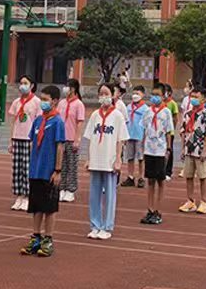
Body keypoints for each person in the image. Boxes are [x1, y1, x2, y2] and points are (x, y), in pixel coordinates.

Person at [21, 84, 65, 257]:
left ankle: (48, 238)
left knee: (49, 207)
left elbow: (59, 146)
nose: (43, 102)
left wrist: (57, 170)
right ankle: (36, 237)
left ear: (55, 101)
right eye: (42, 99)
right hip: (36, 170)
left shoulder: (57, 122)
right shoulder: (38, 120)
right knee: (36, 206)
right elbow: (33, 142)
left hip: (49, 171)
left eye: (46, 99)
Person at [84, 82, 128, 239]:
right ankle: (95, 225)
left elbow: (120, 140)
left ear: (113, 95)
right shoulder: (95, 115)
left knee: (109, 195)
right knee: (94, 195)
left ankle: (107, 226)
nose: (103, 97)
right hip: (96, 160)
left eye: (106, 93)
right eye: (101, 94)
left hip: (109, 161)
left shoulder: (117, 116)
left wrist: (118, 160)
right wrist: (88, 159)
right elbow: (90, 137)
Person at [140, 89, 174, 225]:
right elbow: (144, 129)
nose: (155, 97)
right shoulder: (147, 111)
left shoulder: (166, 112)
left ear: (163, 96)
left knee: (160, 180)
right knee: (150, 180)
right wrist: (143, 146)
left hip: (160, 149)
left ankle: (158, 211)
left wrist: (168, 148)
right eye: (153, 94)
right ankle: (150, 209)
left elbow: (168, 131)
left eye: (158, 95)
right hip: (149, 149)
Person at [8, 76, 41, 210]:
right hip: (17, 138)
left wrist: (35, 139)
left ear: (32, 85)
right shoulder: (16, 102)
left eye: (25, 83)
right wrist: (11, 140)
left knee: (27, 168)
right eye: (21, 83)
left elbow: (38, 122)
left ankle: (27, 196)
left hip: (29, 139)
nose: (22, 85)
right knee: (17, 169)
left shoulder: (37, 102)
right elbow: (13, 121)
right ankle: (19, 195)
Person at [179, 87, 206, 215]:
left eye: (196, 97)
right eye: (192, 97)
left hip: (200, 149)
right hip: (189, 149)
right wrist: (183, 148)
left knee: (203, 176)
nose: (193, 99)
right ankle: (190, 201)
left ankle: (204, 202)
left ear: (203, 99)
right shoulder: (188, 113)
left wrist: (205, 150)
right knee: (188, 176)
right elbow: (183, 131)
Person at [57, 77, 85, 202]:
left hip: (71, 138)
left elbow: (79, 122)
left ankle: (71, 190)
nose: (66, 89)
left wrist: (77, 139)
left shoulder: (79, 104)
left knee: (72, 165)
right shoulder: (62, 103)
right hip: (61, 139)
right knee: (61, 165)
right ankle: (61, 188)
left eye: (68, 86)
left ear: (73, 89)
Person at [122, 86, 147, 188]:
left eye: (138, 93)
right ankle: (130, 176)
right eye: (134, 93)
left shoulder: (145, 109)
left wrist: (145, 137)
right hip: (129, 135)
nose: (135, 96)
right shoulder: (128, 107)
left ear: (143, 95)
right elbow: (125, 121)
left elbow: (146, 124)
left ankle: (141, 177)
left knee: (141, 158)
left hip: (140, 136)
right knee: (130, 157)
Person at [162, 83, 179, 180]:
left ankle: (168, 171)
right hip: (160, 132)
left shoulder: (172, 103)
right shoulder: (160, 103)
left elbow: (175, 118)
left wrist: (172, 129)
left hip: (169, 132)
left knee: (169, 150)